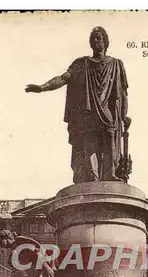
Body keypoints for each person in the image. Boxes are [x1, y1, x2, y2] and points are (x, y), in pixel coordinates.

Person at [25, 26, 131, 183]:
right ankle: (92, 178)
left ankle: (110, 173)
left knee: (109, 138)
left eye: (99, 38)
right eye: (93, 38)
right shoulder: (81, 64)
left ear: (105, 42)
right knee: (89, 144)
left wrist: (124, 115)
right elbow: (63, 78)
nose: (95, 41)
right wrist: (42, 88)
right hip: (88, 113)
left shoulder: (116, 64)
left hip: (107, 112)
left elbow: (122, 93)